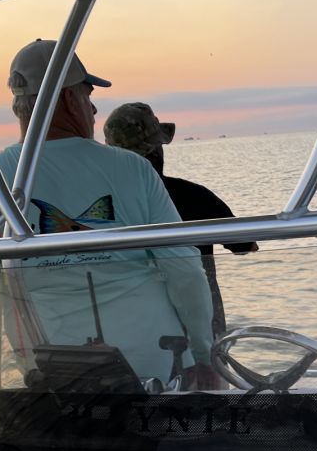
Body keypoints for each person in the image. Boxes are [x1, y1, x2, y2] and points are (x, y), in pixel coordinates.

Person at [0, 39, 218, 396]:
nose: (94, 108)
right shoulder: (133, 169)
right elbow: (185, 270)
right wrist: (204, 355)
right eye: (88, 95)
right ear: (70, 99)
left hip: (51, 386)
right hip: (158, 373)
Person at [103, 102, 257, 336]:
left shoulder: (103, 204)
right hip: (200, 325)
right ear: (156, 150)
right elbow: (246, 246)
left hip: (129, 327)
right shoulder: (195, 196)